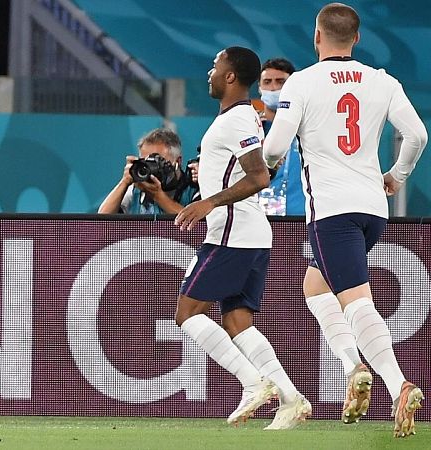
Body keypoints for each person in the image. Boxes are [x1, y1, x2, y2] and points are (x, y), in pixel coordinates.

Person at [262, 3, 427, 438]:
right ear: (356, 39)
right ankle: (352, 367)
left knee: (356, 301)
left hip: (331, 213)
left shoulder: (302, 82)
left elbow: (275, 146)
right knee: (315, 286)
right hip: (373, 209)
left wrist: (263, 162)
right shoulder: (382, 80)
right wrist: (396, 175)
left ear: (317, 38)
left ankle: (397, 384)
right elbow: (418, 135)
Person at [174, 46, 311, 430]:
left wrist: (208, 202)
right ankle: (291, 398)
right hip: (249, 232)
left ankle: (253, 383)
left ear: (231, 76)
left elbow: (258, 177)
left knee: (187, 313)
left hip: (233, 232)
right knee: (237, 320)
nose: (210, 72)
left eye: (216, 66)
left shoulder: (236, 119)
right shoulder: (241, 117)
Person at [98, 128, 198, 215]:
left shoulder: (193, 188)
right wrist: (124, 182)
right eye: (146, 162)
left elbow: (197, 227)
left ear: (178, 161)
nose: (151, 167)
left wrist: (157, 196)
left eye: (158, 160)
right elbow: (102, 221)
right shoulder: (136, 189)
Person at [257, 58, 305, 216]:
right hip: (257, 220)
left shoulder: (307, 129)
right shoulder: (251, 128)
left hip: (301, 221)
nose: (273, 88)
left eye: (280, 82)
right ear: (259, 88)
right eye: (267, 82)